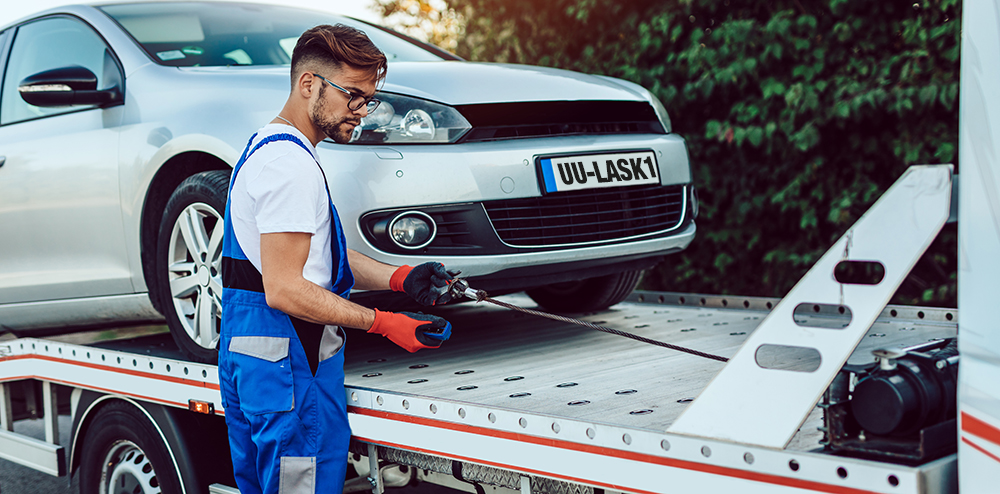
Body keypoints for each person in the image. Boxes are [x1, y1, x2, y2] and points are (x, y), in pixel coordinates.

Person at [218, 24, 455, 494]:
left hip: (263, 359)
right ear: (309, 84)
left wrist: (400, 277)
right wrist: (383, 323)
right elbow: (285, 288)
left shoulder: (268, 148)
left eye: (368, 99)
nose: (361, 111)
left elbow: (310, 255)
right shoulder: (289, 166)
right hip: (291, 362)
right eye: (353, 96)